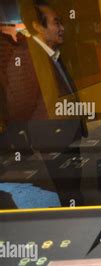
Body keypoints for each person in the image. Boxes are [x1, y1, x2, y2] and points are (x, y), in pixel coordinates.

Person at [2, 0, 86, 206]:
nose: (62, 28)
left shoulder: (51, 55)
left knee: (75, 189)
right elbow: (20, 106)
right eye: (56, 23)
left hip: (66, 135)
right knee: (66, 193)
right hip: (52, 140)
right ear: (38, 26)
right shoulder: (27, 57)